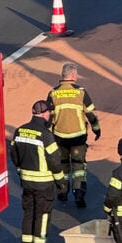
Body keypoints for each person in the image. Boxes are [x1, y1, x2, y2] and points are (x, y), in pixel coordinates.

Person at [10, 99, 64, 243]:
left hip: (26, 182)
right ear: (45, 113)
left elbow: (13, 154)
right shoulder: (46, 135)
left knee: (28, 214)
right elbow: (54, 161)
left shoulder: (20, 131)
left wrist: (20, 170)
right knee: (42, 216)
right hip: (44, 184)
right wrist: (61, 181)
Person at [46, 62, 100, 208]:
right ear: (73, 75)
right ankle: (79, 193)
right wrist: (96, 129)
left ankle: (63, 191)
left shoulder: (53, 93)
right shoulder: (81, 92)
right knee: (78, 166)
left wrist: (47, 136)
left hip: (59, 137)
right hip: (78, 138)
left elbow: (48, 118)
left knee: (63, 165)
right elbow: (91, 115)